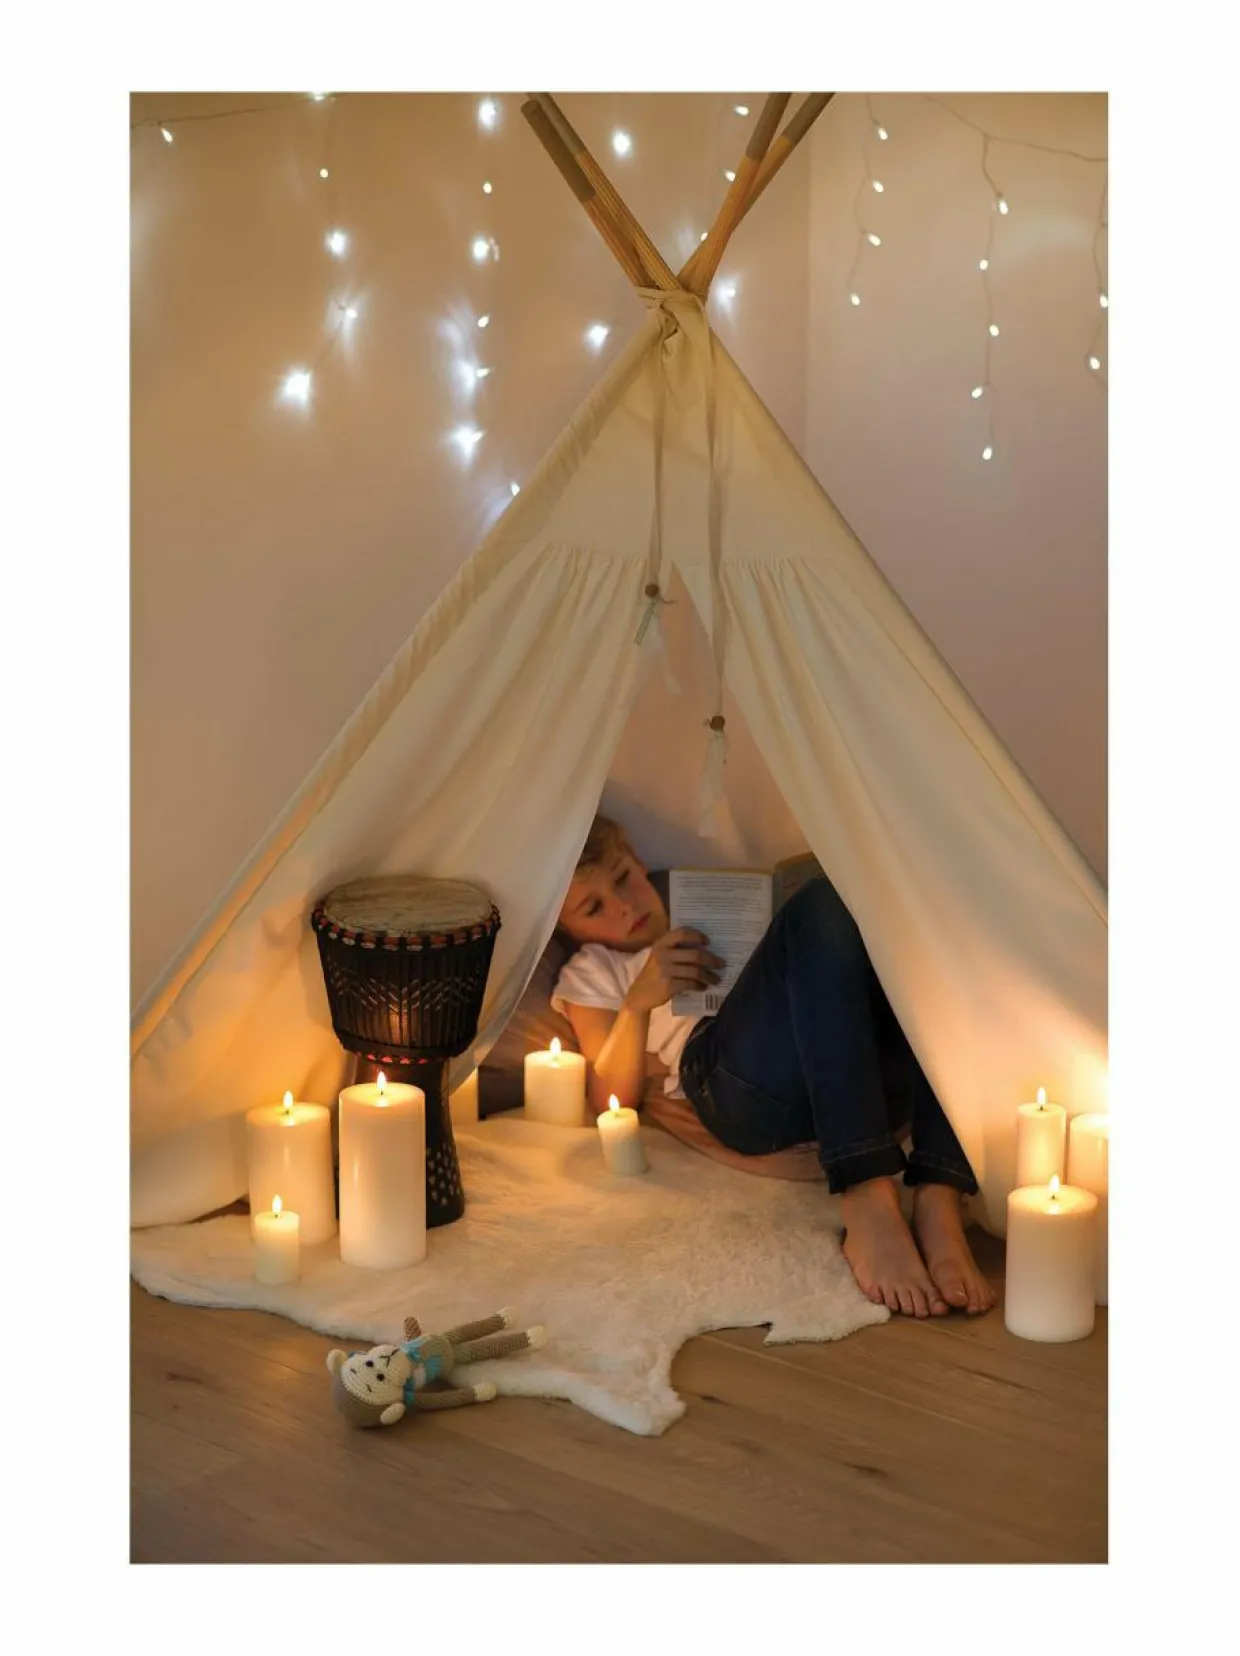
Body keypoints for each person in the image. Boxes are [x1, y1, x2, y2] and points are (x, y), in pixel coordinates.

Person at [551, 813, 997, 1320]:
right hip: (734, 1082)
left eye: (623, 878)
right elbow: (611, 1096)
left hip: (846, 1064)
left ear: (636, 858)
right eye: (593, 908)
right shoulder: (594, 969)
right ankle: (866, 1190)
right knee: (819, 902)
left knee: (937, 913)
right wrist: (637, 1004)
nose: (623, 906)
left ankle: (939, 1194)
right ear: (566, 928)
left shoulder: (712, 907)